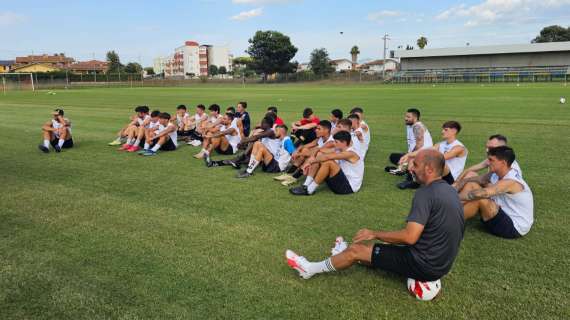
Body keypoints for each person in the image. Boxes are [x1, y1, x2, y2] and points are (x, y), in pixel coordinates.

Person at [286, 149, 464, 291]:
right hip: (442, 265)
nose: (411, 168)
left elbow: (410, 237)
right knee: (374, 251)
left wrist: (374, 233)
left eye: (415, 165)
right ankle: (342, 254)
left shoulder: (424, 193)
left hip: (423, 264)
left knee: (356, 250)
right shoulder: (450, 191)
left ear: (429, 170)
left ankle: (309, 269)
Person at [457, 146, 533, 239]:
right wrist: (463, 181)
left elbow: (484, 193)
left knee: (480, 199)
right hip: (501, 214)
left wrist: (452, 196)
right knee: (472, 184)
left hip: (513, 227)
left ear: (503, 163)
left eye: (491, 160)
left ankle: (447, 223)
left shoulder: (511, 181)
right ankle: (448, 209)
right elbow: (480, 179)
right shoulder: (496, 173)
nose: (488, 163)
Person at [289, 131, 364, 196]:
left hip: (347, 188)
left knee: (329, 162)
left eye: (336, 142)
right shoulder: (340, 149)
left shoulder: (351, 153)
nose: (334, 144)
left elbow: (327, 157)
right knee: (320, 156)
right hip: (339, 181)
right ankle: (305, 185)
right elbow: (320, 150)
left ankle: (309, 190)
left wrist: (309, 162)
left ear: (344, 143)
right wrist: (300, 154)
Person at [398, 121, 467, 189]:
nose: (442, 132)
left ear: (454, 131)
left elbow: (441, 158)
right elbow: (426, 150)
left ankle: (416, 181)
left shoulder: (459, 147)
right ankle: (412, 180)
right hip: (438, 174)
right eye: (443, 129)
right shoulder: (441, 144)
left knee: (439, 163)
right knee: (415, 157)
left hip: (450, 178)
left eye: (446, 130)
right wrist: (408, 155)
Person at [275, 120, 335, 186]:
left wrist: (298, 154)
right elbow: (309, 144)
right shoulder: (320, 138)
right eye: (316, 128)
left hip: (328, 167)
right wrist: (297, 150)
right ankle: (289, 174)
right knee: (305, 149)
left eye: (319, 129)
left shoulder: (331, 142)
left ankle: (294, 177)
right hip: (318, 161)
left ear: (326, 130)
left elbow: (314, 152)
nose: (316, 130)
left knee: (313, 155)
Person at [454, 134, 522, 186]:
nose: (487, 150)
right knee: (470, 174)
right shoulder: (492, 160)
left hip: (499, 198)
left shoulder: (511, 168)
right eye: (486, 147)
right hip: (493, 191)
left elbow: (498, 188)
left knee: (471, 185)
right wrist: (456, 182)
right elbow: (469, 170)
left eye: (491, 148)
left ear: (502, 148)